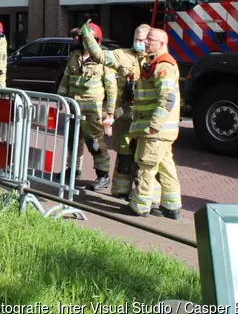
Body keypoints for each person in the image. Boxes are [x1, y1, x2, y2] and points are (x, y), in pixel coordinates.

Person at [82, 23, 157, 202]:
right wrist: (87, 34)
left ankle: (146, 197)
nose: (139, 43)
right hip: (126, 113)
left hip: (147, 117)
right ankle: (121, 191)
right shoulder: (122, 55)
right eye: (136, 39)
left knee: (145, 158)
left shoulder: (155, 60)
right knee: (124, 154)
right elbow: (99, 55)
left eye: (142, 40)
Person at [125, 28, 182, 219]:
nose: (146, 42)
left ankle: (139, 206)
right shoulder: (154, 63)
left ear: (162, 44)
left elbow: (167, 99)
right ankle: (171, 207)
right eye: (146, 39)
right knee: (166, 166)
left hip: (156, 130)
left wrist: (154, 125)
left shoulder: (163, 66)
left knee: (146, 165)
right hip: (164, 131)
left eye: (151, 40)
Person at [58, 23, 117, 190]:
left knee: (95, 143)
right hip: (73, 107)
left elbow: (111, 88)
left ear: (97, 41)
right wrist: (60, 99)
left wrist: (110, 113)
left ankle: (103, 175)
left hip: (92, 111)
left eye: (92, 40)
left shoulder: (104, 59)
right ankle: (73, 170)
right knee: (73, 141)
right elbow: (66, 78)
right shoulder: (74, 55)